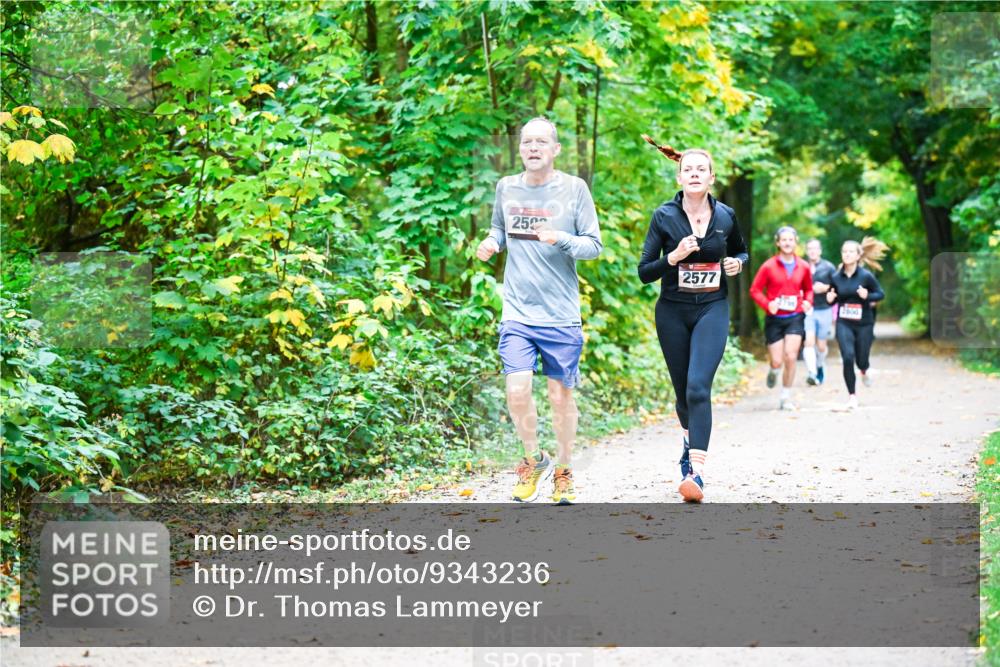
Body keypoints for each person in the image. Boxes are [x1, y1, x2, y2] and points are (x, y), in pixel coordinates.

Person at [476, 116, 602, 504]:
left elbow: (593, 246)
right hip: (517, 310)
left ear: (555, 149)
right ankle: (533, 459)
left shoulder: (574, 189)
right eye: (527, 141)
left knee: (559, 396)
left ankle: (563, 469)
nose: (533, 148)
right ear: (520, 149)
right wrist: (491, 242)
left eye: (541, 142)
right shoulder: (506, 188)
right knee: (517, 390)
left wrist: (562, 238)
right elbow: (499, 228)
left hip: (561, 314)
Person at [637, 137, 748, 503]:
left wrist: (737, 264)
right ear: (680, 177)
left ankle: (695, 473)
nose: (695, 174)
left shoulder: (726, 216)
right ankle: (687, 441)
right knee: (684, 394)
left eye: (702, 169)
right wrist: (674, 257)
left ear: (712, 177)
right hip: (672, 310)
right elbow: (644, 272)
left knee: (699, 387)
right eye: (689, 169)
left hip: (712, 308)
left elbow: (741, 252)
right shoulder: (664, 216)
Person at [749, 227, 814, 411]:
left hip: (795, 317)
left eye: (790, 240)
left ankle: (785, 397)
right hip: (775, 319)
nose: (787, 243)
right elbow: (754, 290)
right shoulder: (769, 266)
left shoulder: (804, 266)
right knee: (777, 360)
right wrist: (767, 304)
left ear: (796, 242)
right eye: (783, 240)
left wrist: (808, 302)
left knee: (791, 356)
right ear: (778, 243)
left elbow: (808, 289)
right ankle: (774, 370)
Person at [826, 237, 887, 410]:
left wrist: (867, 296)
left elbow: (880, 294)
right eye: (844, 251)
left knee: (861, 359)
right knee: (847, 357)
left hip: (864, 323)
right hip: (844, 322)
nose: (847, 254)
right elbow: (832, 297)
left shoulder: (866, 276)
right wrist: (830, 299)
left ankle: (864, 369)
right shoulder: (836, 277)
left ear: (858, 255)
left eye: (851, 251)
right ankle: (852, 395)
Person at [803, 239, 837, 385]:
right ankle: (812, 373)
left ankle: (820, 365)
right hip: (809, 310)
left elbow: (837, 286)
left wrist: (826, 288)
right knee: (809, 342)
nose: (812, 251)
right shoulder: (802, 266)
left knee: (821, 346)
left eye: (815, 248)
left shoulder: (828, 267)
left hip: (825, 309)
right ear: (806, 251)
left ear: (820, 251)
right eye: (810, 248)